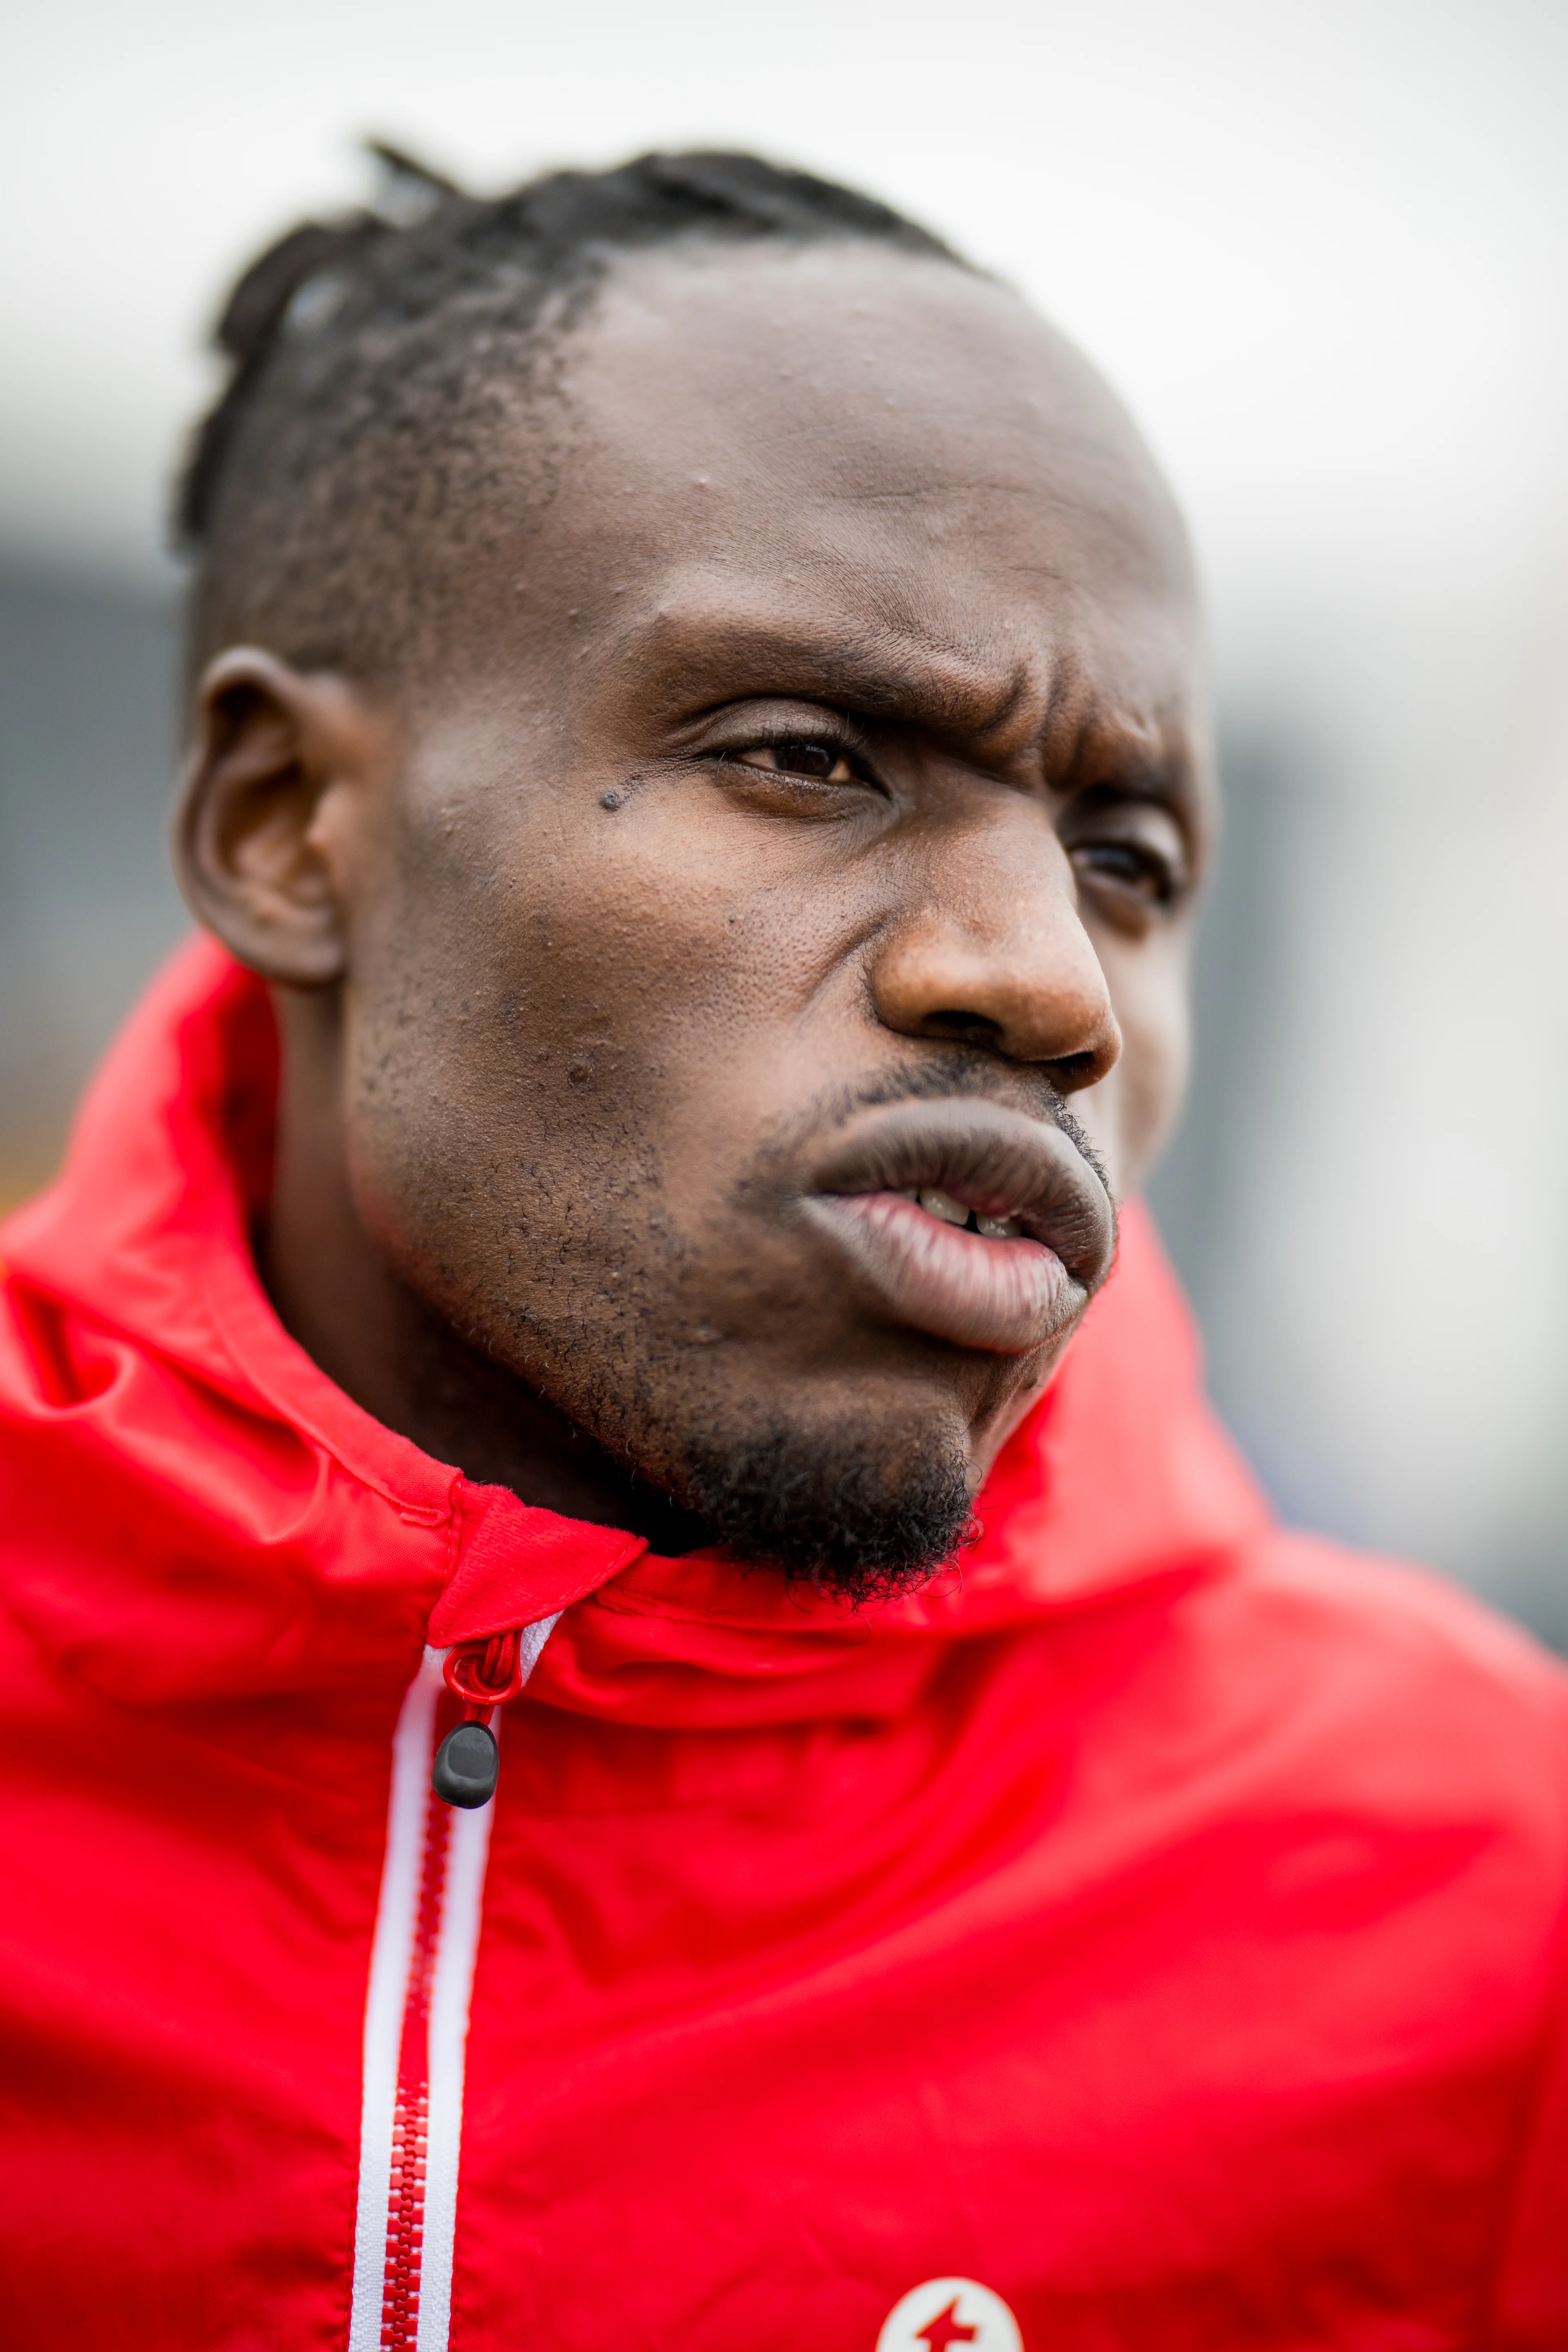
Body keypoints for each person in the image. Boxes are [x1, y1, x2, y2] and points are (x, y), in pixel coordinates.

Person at [0, 146, 1563, 2352]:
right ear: (288, 828)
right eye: (813, 757)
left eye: (1128, 858)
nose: (1051, 987)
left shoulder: (1487, 1916)